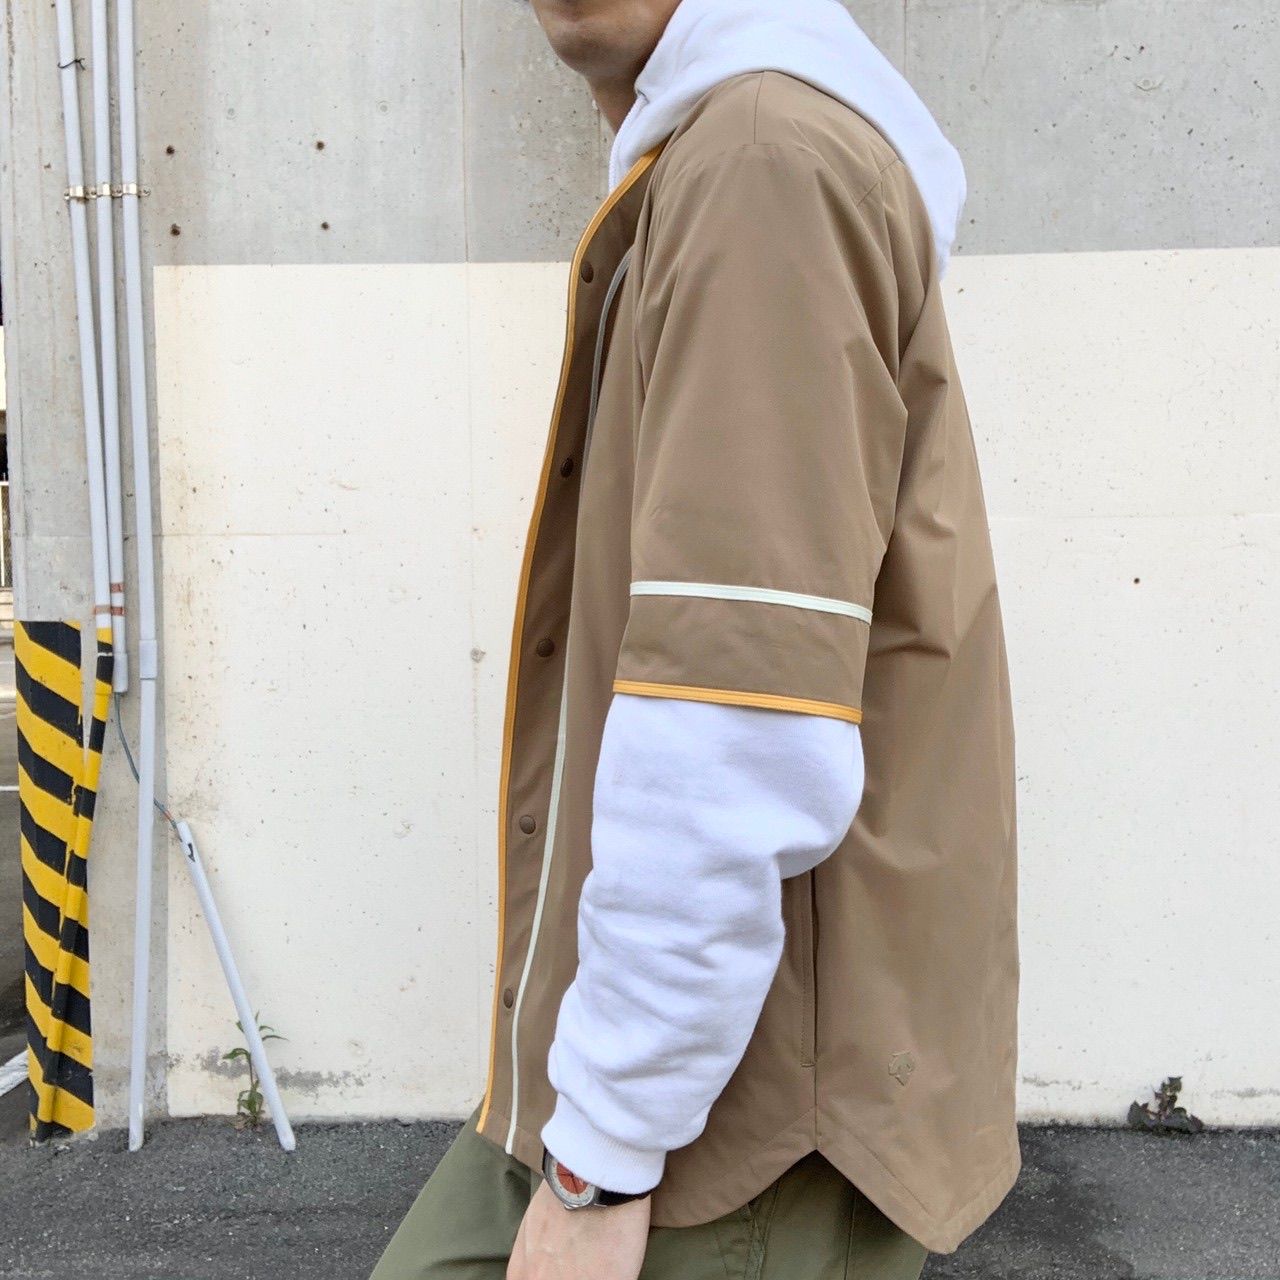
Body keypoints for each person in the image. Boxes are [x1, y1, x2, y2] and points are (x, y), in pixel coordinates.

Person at [371, 1, 1020, 1277]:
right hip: (702, 1079)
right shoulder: (725, 153)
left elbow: (735, 725)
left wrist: (599, 1157)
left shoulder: (761, 164)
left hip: (734, 1128)